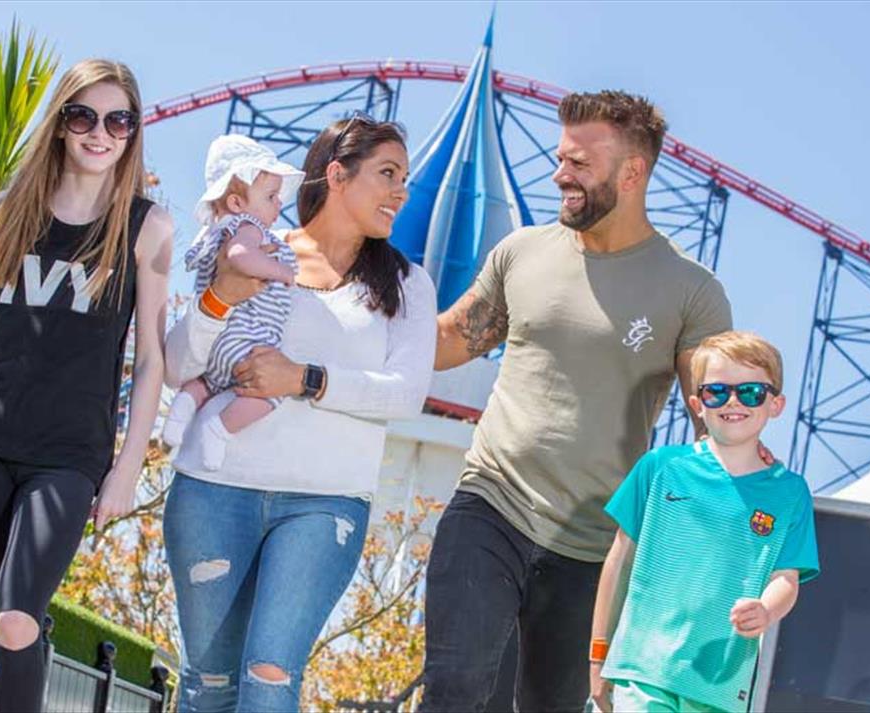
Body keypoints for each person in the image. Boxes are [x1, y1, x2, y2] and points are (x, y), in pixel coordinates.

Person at [420, 91, 735, 712]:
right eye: (560, 158)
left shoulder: (692, 291)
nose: (559, 174)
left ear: (632, 172)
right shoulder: (523, 252)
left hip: (593, 546)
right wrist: (343, 305)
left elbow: (715, 409)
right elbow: (452, 338)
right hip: (491, 503)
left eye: (579, 164)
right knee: (454, 694)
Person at [162, 115, 437, 713]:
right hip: (214, 492)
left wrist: (303, 379)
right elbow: (179, 362)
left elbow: (403, 394)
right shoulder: (253, 248)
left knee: (270, 677)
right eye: (387, 174)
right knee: (207, 681)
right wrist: (220, 298)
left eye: (405, 179)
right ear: (337, 174)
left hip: (325, 505)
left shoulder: (409, 286)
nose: (401, 192)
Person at [0, 59, 173, 712]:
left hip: (69, 455)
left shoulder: (147, 227)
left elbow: (151, 360)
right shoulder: (6, 209)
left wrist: (126, 470)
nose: (101, 133)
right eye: (84, 116)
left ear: (132, 131)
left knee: (17, 619)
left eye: (118, 120)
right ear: (62, 124)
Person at [589, 331, 820, 713]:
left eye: (751, 393)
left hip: (723, 687)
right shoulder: (659, 467)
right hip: (642, 670)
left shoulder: (791, 493)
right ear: (697, 404)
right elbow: (618, 562)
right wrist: (598, 656)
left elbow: (787, 578)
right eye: (717, 392)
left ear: (775, 404)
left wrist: (766, 609)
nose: (733, 402)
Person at [160, 134, 304, 471]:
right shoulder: (248, 227)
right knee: (272, 393)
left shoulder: (214, 232)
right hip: (244, 337)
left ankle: (183, 408)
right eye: (270, 197)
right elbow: (241, 257)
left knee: (208, 382)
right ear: (238, 203)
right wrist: (280, 271)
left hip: (216, 340)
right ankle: (220, 428)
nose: (279, 205)